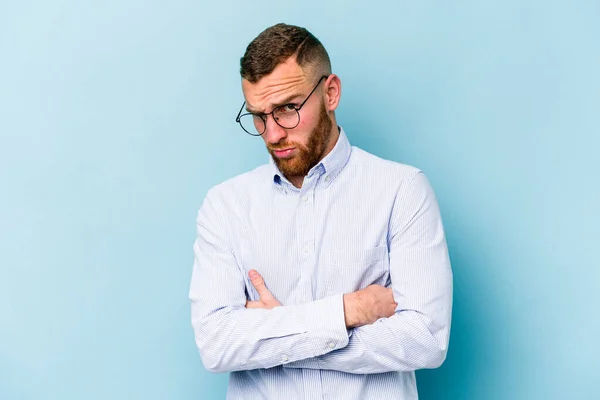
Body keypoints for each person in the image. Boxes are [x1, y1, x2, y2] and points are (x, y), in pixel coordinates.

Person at [189, 23, 453, 400]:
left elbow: (425, 339)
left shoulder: (402, 191)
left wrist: (275, 336)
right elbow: (216, 344)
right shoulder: (225, 206)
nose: (272, 133)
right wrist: (348, 310)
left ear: (330, 93)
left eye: (288, 109)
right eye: (259, 116)